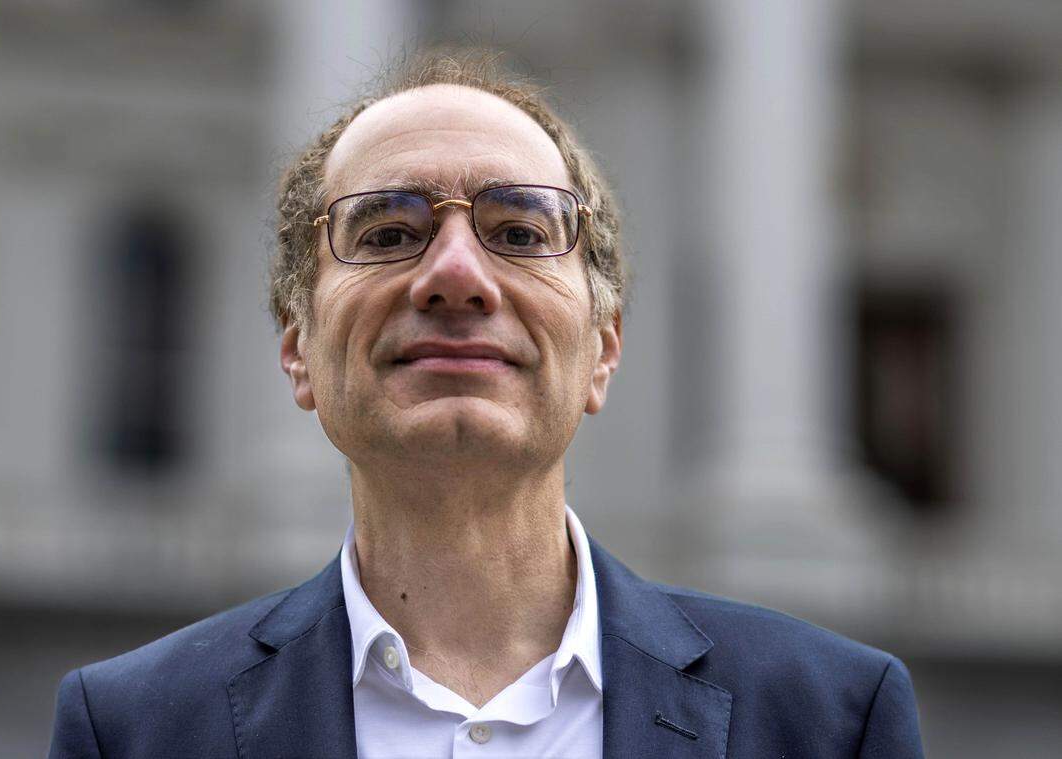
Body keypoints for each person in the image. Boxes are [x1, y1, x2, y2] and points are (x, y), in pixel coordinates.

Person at [48, 50, 924, 758]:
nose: (457, 276)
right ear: (297, 347)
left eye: (518, 233)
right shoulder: (135, 730)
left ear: (603, 350)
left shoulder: (828, 720)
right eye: (388, 232)